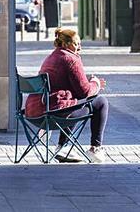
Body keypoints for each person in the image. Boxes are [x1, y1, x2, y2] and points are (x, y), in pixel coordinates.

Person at [25, 27, 109, 163]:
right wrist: (96, 83)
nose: (80, 48)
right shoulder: (71, 59)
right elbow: (85, 92)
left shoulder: (51, 57)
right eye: (76, 44)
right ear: (65, 44)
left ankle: (63, 147)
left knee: (71, 102)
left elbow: (70, 88)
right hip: (53, 114)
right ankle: (95, 149)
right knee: (101, 102)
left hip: (35, 113)